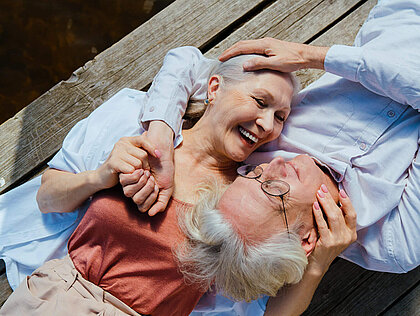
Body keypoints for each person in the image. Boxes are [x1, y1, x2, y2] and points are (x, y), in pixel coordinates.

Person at [2, 53, 350, 315]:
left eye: (280, 117)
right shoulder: (134, 125)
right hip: (48, 298)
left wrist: (318, 264)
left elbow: (267, 312)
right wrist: (101, 176)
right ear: (214, 88)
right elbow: (47, 199)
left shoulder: (245, 203)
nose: (266, 124)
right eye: (260, 102)